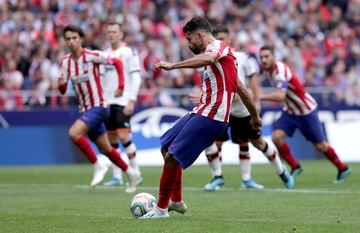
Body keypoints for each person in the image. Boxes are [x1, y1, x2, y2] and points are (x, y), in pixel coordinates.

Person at [140, 17, 262, 219]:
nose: (188, 45)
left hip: (213, 116)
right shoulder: (223, 60)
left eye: (189, 39)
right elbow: (241, 88)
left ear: (200, 35)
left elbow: (207, 59)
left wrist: (173, 66)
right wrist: (255, 116)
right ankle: (176, 202)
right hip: (202, 110)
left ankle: (161, 210)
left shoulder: (218, 47)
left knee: (172, 156)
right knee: (166, 147)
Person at [201, 26, 294, 191]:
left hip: (241, 110)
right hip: (222, 109)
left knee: (255, 142)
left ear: (229, 40)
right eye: (216, 39)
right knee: (212, 141)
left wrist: (256, 102)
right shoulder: (209, 58)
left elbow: (252, 82)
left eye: (222, 38)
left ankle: (280, 171)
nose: (219, 42)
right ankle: (217, 177)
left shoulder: (243, 58)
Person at [58, 24, 138, 193]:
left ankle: (97, 164)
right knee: (106, 149)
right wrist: (61, 84)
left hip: (100, 106)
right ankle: (131, 174)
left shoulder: (92, 56)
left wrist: (121, 86)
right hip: (85, 109)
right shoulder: (65, 62)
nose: (71, 42)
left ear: (81, 39)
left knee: (73, 133)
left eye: (74, 38)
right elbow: (63, 90)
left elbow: (116, 62)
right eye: (68, 39)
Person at [259, 45, 351, 183]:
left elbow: (280, 96)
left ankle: (342, 168)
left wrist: (258, 96)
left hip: (305, 111)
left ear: (274, 57)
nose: (263, 60)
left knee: (320, 145)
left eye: (266, 56)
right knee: (276, 137)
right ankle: (295, 167)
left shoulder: (280, 70)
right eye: (261, 57)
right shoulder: (269, 71)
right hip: (290, 111)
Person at [96, 22, 142, 187]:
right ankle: (117, 177)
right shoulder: (104, 55)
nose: (112, 34)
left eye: (114, 31)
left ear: (121, 34)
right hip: (108, 103)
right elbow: (101, 80)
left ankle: (136, 171)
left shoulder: (129, 52)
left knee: (124, 136)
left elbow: (136, 77)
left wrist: (132, 100)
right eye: (109, 32)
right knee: (111, 140)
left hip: (123, 101)